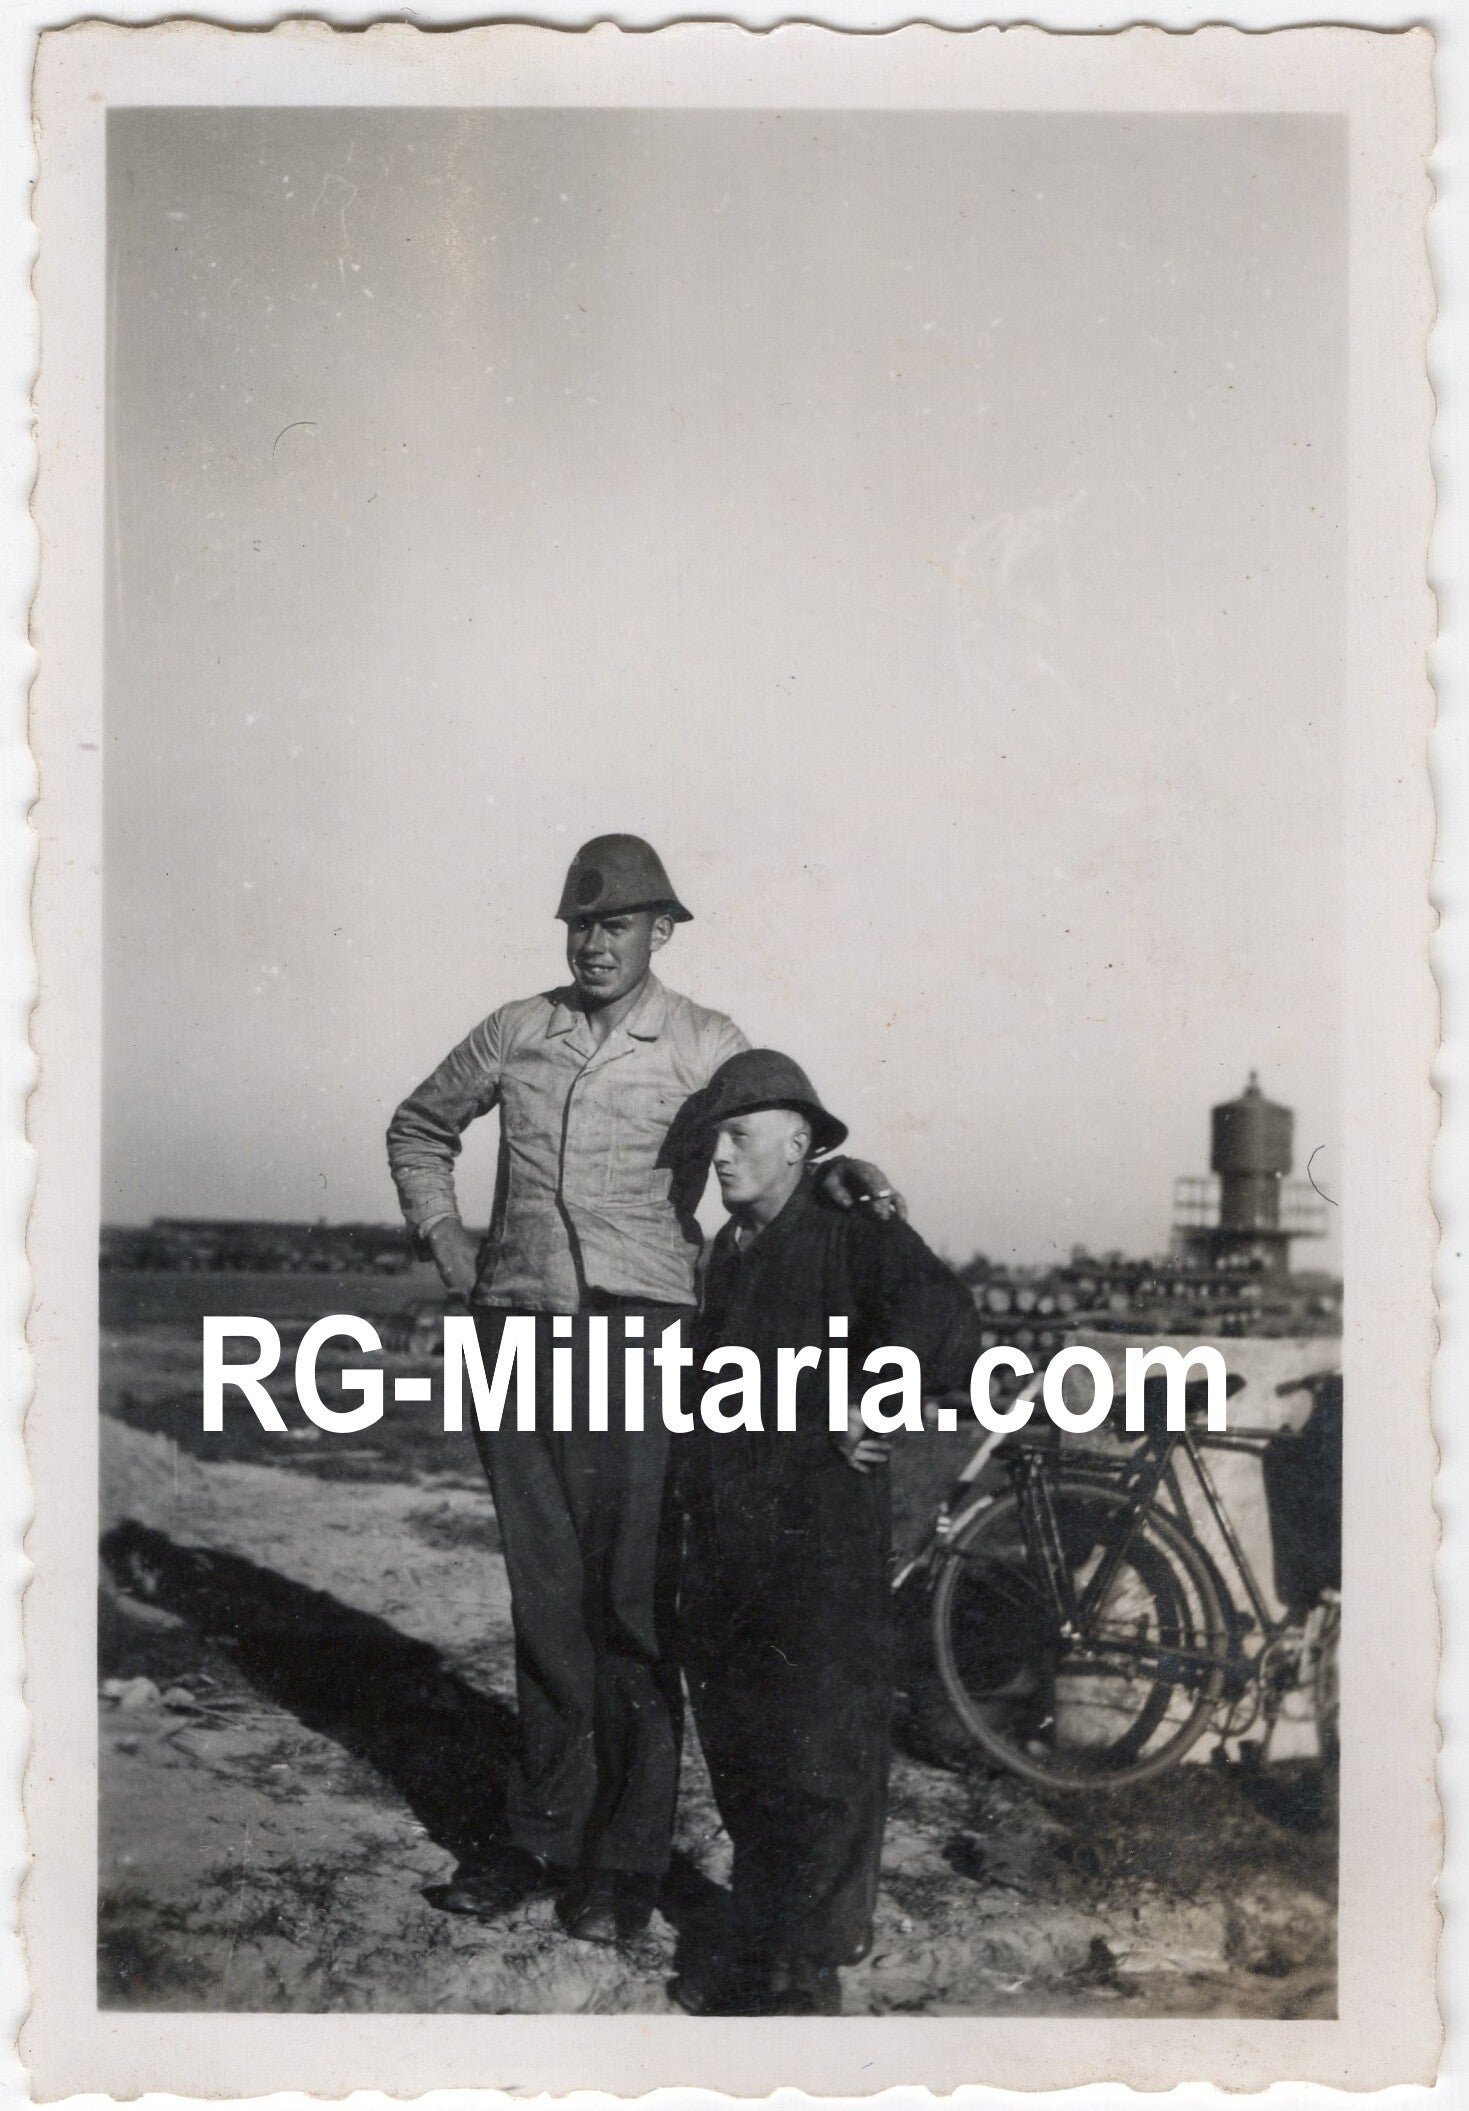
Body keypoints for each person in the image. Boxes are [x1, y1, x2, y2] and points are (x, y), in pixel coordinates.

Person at [386, 837, 901, 1944]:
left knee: (628, 1611)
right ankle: (539, 1838)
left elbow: (777, 1113)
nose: (593, 941)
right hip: (515, 1337)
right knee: (544, 1603)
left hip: (642, 1344)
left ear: (658, 930)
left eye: (616, 924)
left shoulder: (702, 1039)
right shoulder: (516, 1029)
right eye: (579, 924)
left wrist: (840, 1170)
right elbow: (419, 1125)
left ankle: (623, 1863)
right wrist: (446, 1240)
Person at [673, 1049, 981, 2016]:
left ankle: (807, 1959)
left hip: (819, 1532)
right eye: (713, 1136)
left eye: (739, 1134)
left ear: (799, 1144)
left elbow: (946, 1319)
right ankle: (769, 1923)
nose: (718, 1155)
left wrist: (874, 1391)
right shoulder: (722, 1252)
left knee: (821, 1745)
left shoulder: (851, 1231)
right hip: (727, 1529)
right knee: (741, 1736)